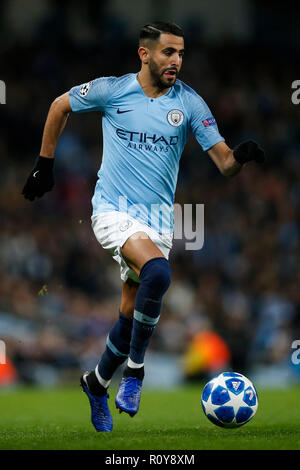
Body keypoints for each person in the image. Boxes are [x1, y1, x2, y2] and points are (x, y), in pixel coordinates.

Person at [22, 21, 265, 432]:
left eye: (182, 53)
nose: (176, 61)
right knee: (158, 272)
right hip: (112, 211)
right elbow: (59, 105)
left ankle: (96, 383)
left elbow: (223, 163)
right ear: (145, 54)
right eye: (169, 52)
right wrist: (44, 164)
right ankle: (135, 373)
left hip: (158, 223)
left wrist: (240, 156)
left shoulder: (189, 103)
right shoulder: (113, 90)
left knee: (130, 315)